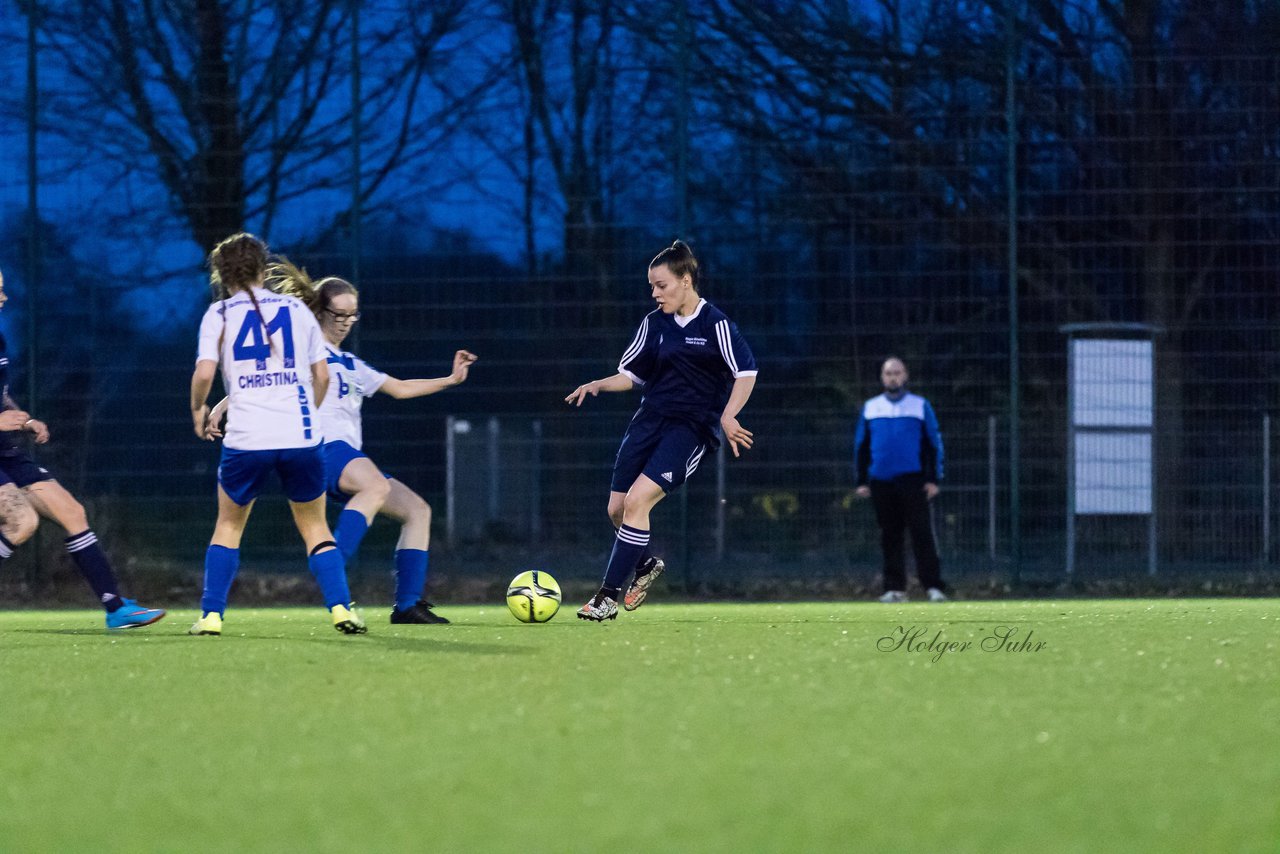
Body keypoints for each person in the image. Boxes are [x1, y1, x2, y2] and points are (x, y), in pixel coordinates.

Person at [246, 258, 477, 624]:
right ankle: (331, 564)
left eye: (353, 316)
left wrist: (450, 380)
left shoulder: (351, 362)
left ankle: (406, 606)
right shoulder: (306, 350)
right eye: (339, 315)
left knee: (417, 510)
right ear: (319, 311)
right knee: (373, 486)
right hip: (320, 449)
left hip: (346, 455)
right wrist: (222, 407)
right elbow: (263, 378)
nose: (346, 323)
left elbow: (399, 388)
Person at [566, 240, 758, 621]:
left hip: (689, 430)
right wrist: (598, 384)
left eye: (661, 285)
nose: (654, 293)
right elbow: (631, 375)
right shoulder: (653, 324)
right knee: (617, 510)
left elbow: (746, 372)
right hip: (648, 422)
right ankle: (646, 564)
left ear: (686, 281)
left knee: (638, 502)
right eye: (652, 286)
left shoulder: (716, 324)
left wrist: (729, 415)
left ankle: (606, 598)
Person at [189, 233, 365, 636]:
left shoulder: (218, 314)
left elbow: (203, 374)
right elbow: (321, 375)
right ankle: (341, 609)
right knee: (315, 528)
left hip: (247, 439)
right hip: (300, 437)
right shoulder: (295, 309)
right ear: (262, 270)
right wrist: (308, 413)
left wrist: (199, 409)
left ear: (221, 273)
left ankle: (212, 616)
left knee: (229, 526)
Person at [0, 268, 165, 629]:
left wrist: (20, 418)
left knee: (72, 512)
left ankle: (115, 608)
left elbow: (1, 395)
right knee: (21, 522)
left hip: (5, 451)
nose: (4, 297)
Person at [853, 357, 947, 603]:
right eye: (888, 373)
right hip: (881, 482)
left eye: (897, 372)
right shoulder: (871, 408)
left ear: (905, 375)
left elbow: (933, 444)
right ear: (882, 377)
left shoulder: (919, 406)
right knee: (890, 535)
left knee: (922, 534)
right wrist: (861, 480)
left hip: (913, 480)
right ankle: (895, 588)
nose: (892, 377)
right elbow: (861, 446)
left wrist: (933, 478)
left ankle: (933, 587)